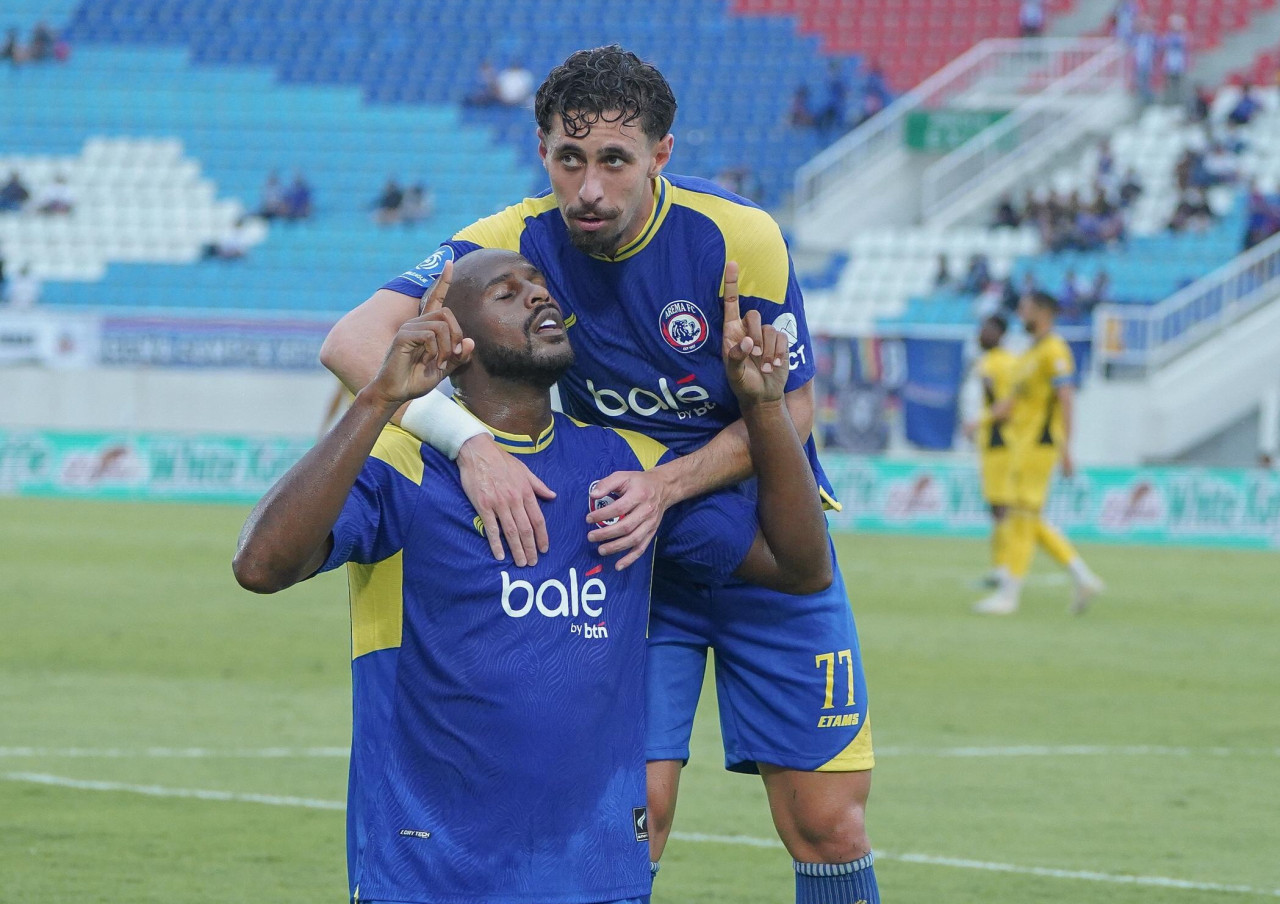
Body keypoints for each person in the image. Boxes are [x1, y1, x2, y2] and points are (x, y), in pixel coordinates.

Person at [321, 45, 881, 904]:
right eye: (567, 159)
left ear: (662, 155)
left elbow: (794, 409)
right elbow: (350, 343)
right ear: (541, 152)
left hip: (755, 529)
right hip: (623, 549)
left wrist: (672, 483)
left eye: (614, 161)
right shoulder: (514, 238)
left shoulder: (740, 239)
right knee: (633, 810)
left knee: (828, 821)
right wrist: (471, 444)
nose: (588, 188)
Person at [235, 247, 834, 904]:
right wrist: (380, 396)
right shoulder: (404, 465)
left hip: (598, 880)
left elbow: (800, 569)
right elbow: (261, 566)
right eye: (506, 292)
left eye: (541, 285)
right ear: (454, 341)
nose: (538, 297)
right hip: (428, 879)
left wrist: (766, 410)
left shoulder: (624, 463)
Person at [974, 291, 1104, 615]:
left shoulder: (1055, 351)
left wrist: (1067, 448)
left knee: (1020, 519)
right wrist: (981, 421)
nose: (1020, 312)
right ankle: (1083, 578)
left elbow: (1066, 398)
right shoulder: (1030, 354)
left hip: (1040, 447)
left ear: (1043, 312)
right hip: (1022, 447)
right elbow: (1009, 404)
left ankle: (1009, 595)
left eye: (1025, 307)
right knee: (1028, 520)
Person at [964, 315, 1018, 590]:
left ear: (999, 332)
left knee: (1003, 509)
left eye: (987, 329)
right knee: (1000, 509)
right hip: (999, 444)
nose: (981, 333)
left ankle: (1005, 569)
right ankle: (1002, 568)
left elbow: (1004, 405)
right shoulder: (1008, 361)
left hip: (1000, 443)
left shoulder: (993, 363)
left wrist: (977, 422)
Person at [1161, 15, 1189, 107]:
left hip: (1179, 65)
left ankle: (1178, 104)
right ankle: (1169, 104)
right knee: (1169, 86)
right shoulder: (1168, 36)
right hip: (1170, 64)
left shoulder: (1183, 36)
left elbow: (1183, 46)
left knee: (1179, 86)